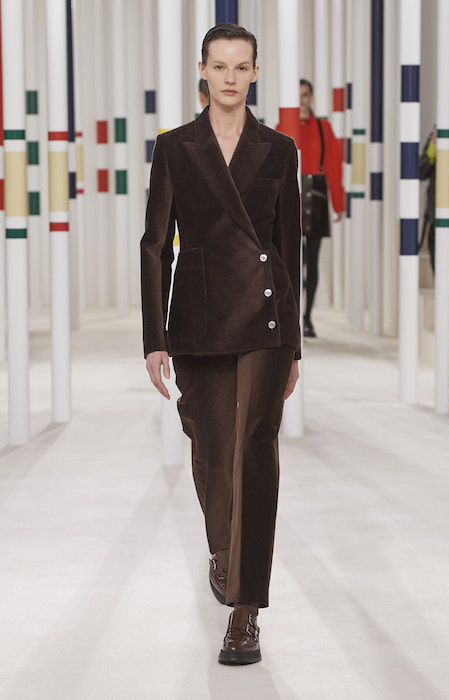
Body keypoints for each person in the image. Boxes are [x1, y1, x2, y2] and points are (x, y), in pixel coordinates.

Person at [141, 23, 301, 666]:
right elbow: (156, 244)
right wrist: (155, 337)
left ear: (255, 73)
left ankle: (245, 610)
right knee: (211, 451)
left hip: (265, 321)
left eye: (242, 67)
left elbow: (288, 249)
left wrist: (293, 344)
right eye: (220, 66)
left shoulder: (279, 149)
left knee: (254, 454)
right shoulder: (175, 148)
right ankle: (224, 551)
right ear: (202, 71)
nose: (230, 77)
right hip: (199, 318)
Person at [297, 79, 344, 337]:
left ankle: (307, 317)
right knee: (295, 261)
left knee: (312, 261)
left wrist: (338, 203)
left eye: (305, 95)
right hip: (293, 195)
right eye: (298, 95)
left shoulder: (324, 128)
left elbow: (334, 166)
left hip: (316, 195)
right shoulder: (284, 127)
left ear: (311, 97)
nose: (302, 100)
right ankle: (295, 316)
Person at [419, 93, 449, 294]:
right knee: (438, 261)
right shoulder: (435, 138)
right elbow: (420, 172)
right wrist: (433, 147)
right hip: (436, 212)